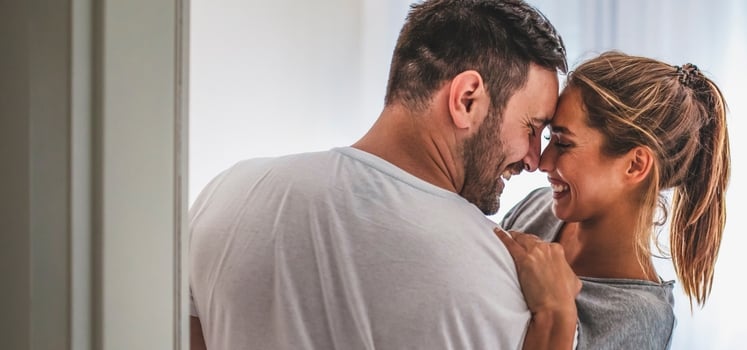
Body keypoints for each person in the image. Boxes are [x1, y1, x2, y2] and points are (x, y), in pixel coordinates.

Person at [188, 1, 581, 349]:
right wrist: (556, 319)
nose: (534, 159)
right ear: (467, 100)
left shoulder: (225, 197)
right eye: (531, 128)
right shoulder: (496, 273)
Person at [496, 50, 731, 350]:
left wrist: (556, 312)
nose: (542, 162)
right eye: (548, 139)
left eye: (563, 143)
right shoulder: (538, 208)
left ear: (635, 165)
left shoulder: (641, 320)